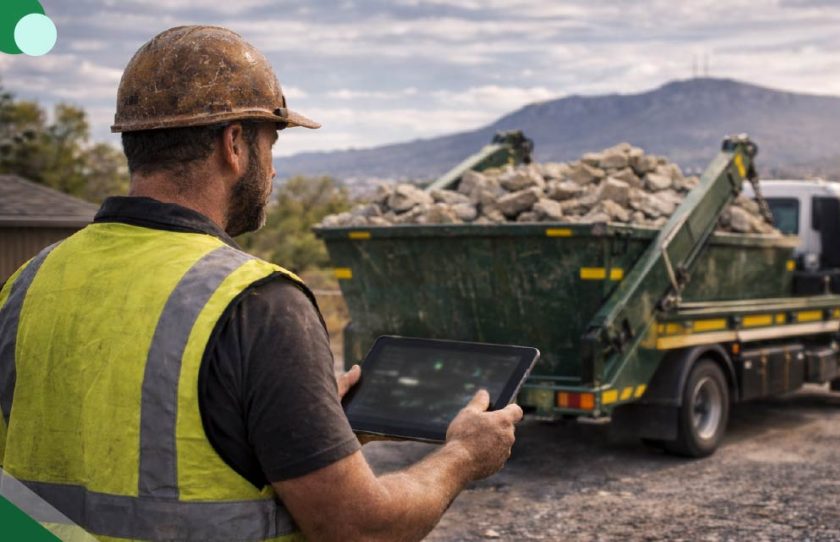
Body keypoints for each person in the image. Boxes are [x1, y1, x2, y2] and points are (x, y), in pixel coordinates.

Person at [0, 25, 522, 541]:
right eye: (270, 144)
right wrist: (462, 456)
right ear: (234, 144)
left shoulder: (28, 283)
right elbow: (360, 528)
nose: (271, 171)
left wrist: (298, 428)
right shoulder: (259, 303)